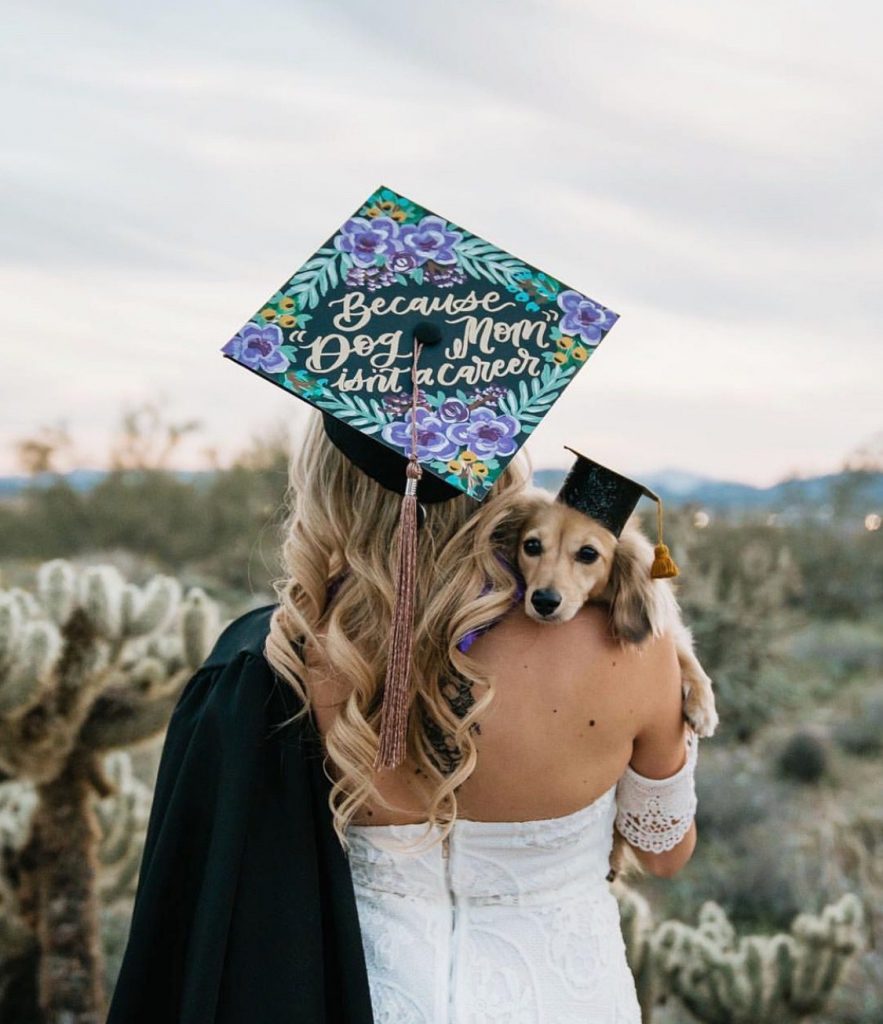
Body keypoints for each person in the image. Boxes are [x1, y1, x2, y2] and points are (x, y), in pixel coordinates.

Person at [107, 409, 698, 1024]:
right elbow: (664, 853)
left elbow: (201, 900)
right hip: (571, 999)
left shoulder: (281, 658)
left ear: (331, 481)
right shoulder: (636, 648)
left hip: (368, 999)